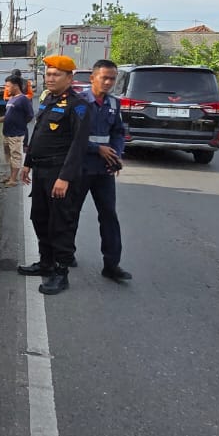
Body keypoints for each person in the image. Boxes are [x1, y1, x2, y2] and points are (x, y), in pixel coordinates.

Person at [16, 55, 90, 295]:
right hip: (41, 171)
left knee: (60, 223)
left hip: (60, 174)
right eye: (48, 74)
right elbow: (38, 132)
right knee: (39, 218)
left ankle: (61, 272)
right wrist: (27, 163)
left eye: (56, 74)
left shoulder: (78, 105)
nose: (50, 78)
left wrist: (65, 178)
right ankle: (46, 262)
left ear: (70, 77)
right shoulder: (49, 100)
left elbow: (79, 145)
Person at [77, 60, 131, 282]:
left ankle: (111, 264)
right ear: (93, 78)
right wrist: (97, 148)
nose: (109, 82)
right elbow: (73, 136)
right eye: (104, 77)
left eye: (112, 78)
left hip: (104, 170)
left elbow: (118, 132)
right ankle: (65, 256)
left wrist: (116, 153)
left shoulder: (114, 104)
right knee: (70, 214)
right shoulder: (79, 102)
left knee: (109, 216)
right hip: (80, 167)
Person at [0, 76, 33, 187]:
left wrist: (20, 124)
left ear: (16, 86)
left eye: (8, 86)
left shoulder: (23, 99)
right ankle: (11, 176)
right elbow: (8, 116)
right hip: (7, 133)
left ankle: (13, 180)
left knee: (16, 156)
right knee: (9, 156)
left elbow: (30, 116)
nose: (6, 88)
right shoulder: (12, 99)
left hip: (16, 134)